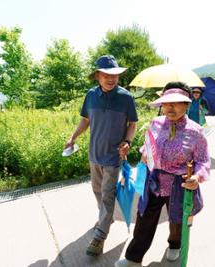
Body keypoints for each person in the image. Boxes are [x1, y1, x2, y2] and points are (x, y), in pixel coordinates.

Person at [115, 84, 210, 267]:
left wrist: (197, 177)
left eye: (175, 103)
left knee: (177, 221)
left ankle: (174, 245)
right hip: (154, 181)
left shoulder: (196, 131)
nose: (169, 108)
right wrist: (143, 154)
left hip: (180, 184)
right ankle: (133, 258)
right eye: (166, 103)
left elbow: (203, 161)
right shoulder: (156, 123)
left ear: (186, 105)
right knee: (144, 220)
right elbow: (148, 146)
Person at [65, 55, 138, 256]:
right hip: (94, 155)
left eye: (114, 74)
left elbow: (132, 124)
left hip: (114, 157)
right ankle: (107, 218)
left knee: (107, 196)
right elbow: (85, 120)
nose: (111, 78)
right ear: (97, 75)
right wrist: (73, 137)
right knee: (97, 191)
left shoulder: (126, 98)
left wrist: (127, 142)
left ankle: (100, 236)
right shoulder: (90, 96)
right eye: (106, 74)